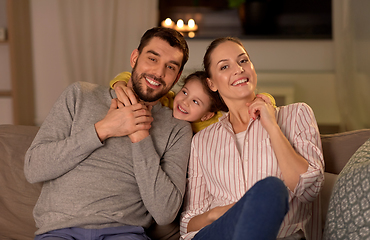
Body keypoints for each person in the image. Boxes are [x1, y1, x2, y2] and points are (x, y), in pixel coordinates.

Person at [24, 27, 193, 240]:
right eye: (152, 59)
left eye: (170, 67)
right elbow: (33, 168)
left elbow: (165, 212)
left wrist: (140, 134)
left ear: (177, 77)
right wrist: (103, 129)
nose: (159, 73)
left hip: (124, 233)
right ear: (135, 58)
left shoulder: (176, 128)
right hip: (60, 231)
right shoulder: (80, 95)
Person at [180, 37, 325, 240]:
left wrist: (272, 127)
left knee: (271, 189)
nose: (238, 69)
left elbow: (309, 189)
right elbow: (188, 223)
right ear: (211, 83)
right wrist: (221, 213)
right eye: (224, 67)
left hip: (280, 236)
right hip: (219, 233)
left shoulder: (295, 115)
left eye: (243, 61)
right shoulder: (202, 141)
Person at [110, 71, 276, 133]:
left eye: (196, 101)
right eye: (185, 92)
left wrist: (267, 99)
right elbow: (129, 75)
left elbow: (249, 103)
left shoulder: (215, 122)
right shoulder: (169, 101)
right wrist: (120, 85)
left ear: (207, 115)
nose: (184, 102)